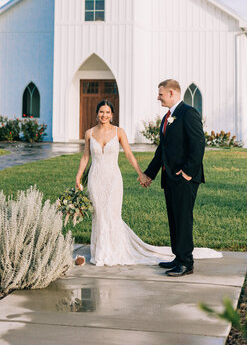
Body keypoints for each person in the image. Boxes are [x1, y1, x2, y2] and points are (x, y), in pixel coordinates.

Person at [75, 98, 220, 267]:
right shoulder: (89, 133)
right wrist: (78, 177)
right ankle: (100, 251)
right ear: (97, 114)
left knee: (112, 214)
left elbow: (129, 155)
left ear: (112, 114)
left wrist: (142, 174)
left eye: (107, 112)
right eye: (101, 112)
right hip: (96, 179)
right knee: (99, 214)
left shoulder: (118, 132)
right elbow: (86, 156)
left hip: (113, 180)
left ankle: (114, 251)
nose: (104, 115)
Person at [142, 79, 206, 276]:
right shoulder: (167, 117)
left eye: (160, 94)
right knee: (174, 219)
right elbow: (162, 150)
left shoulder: (189, 113)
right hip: (169, 178)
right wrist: (149, 174)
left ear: (171, 93)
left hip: (184, 178)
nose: (158, 98)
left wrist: (187, 172)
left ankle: (186, 262)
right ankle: (178, 257)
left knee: (183, 219)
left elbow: (198, 145)